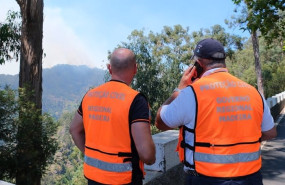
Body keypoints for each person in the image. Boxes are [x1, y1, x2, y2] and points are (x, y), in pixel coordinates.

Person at [155, 38, 277, 185]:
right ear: (223, 61)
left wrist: (179, 89)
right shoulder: (253, 92)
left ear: (198, 64)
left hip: (206, 178)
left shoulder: (192, 93)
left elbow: (160, 122)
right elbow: (270, 132)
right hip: (251, 177)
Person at [70, 48, 156, 185]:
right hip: (123, 180)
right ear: (135, 68)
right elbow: (147, 156)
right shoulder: (136, 100)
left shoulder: (90, 96)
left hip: (93, 177)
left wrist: (90, 154)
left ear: (109, 68)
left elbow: (74, 129)